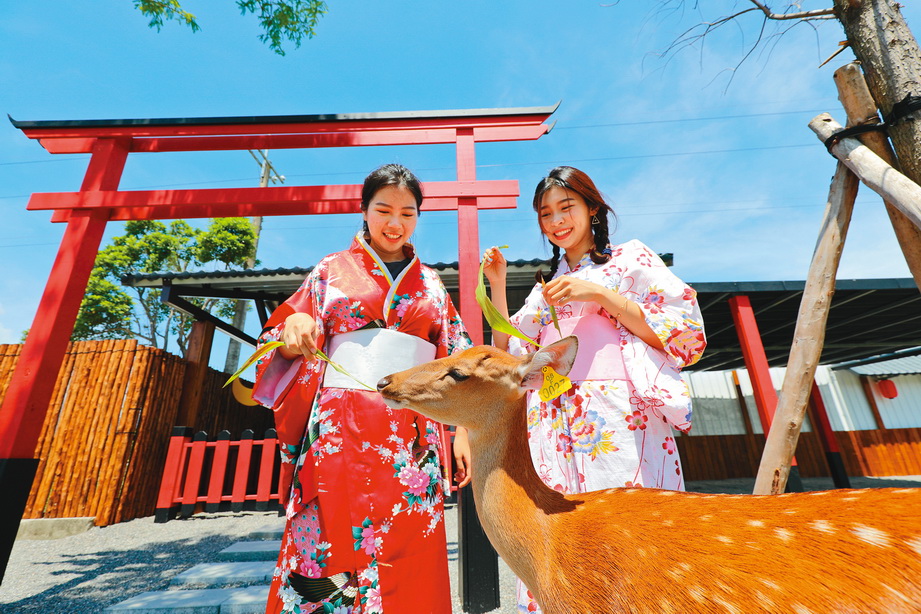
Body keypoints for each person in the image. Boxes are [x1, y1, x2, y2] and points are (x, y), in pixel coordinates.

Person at [482, 166, 706, 613]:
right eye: (546, 214)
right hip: (552, 417)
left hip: (617, 410)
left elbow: (683, 334)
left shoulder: (631, 258)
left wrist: (600, 294)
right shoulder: (545, 288)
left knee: (630, 518)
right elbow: (508, 350)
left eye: (566, 207)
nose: (556, 220)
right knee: (560, 525)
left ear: (593, 209)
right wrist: (498, 284)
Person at [252, 164, 472, 614]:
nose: (395, 223)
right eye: (384, 210)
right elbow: (277, 340)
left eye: (408, 214)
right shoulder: (330, 270)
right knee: (330, 539)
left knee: (411, 541)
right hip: (340, 428)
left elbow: (458, 359)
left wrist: (463, 431)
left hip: (411, 436)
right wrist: (294, 329)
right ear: (364, 210)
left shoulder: (431, 284)